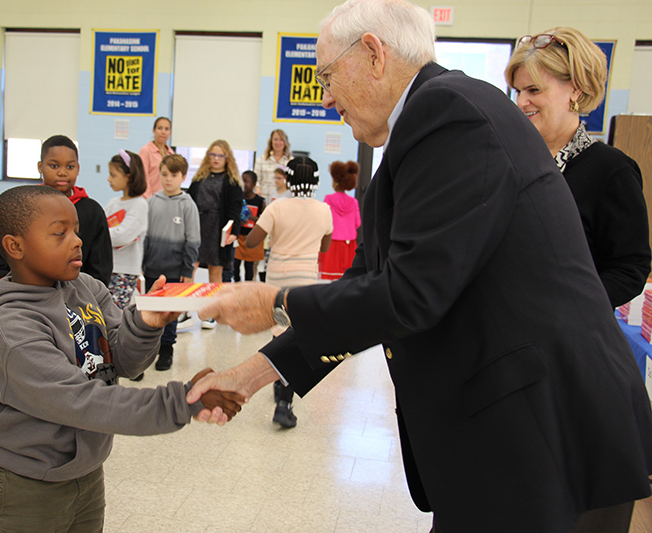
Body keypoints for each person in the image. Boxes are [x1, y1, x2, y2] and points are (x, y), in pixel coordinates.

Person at [188, 1, 652, 532]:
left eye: (327, 75)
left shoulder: (449, 114)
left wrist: (276, 301)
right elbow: (370, 283)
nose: (326, 95)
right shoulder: (422, 131)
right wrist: (247, 377)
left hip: (545, 430)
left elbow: (411, 294)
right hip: (508, 432)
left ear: (372, 54)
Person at [0, 185, 242, 532]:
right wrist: (182, 401)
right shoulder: (12, 326)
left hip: (85, 469)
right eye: (59, 233)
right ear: (15, 246)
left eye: (76, 231)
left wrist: (145, 321)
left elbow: (122, 362)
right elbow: (80, 400)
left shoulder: (86, 288)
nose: (77, 241)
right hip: (24, 481)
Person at [505, 27, 651, 308]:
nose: (521, 102)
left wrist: (570, 307)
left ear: (575, 90)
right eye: (518, 91)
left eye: (534, 90)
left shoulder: (611, 171)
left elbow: (630, 268)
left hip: (563, 336)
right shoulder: (507, 160)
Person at [245, 157, 332, 428]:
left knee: (278, 330)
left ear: (289, 180)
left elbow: (251, 242)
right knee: (295, 336)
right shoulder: (323, 210)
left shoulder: (276, 207)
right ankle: (285, 402)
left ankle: (278, 378)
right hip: (304, 279)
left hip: (277, 280)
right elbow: (325, 247)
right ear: (316, 181)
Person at [144, 153, 200, 371]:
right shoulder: (151, 202)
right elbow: (145, 236)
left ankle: (167, 348)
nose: (168, 179)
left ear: (183, 177)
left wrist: (187, 269)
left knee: (170, 312)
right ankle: (150, 348)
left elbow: (193, 240)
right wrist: (143, 263)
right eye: (164, 174)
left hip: (176, 270)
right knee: (150, 310)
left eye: (174, 175)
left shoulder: (188, 205)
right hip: (152, 268)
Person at [39, 134, 112, 286]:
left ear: (78, 169)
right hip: (32, 294)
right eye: (54, 166)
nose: (62, 172)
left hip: (79, 296)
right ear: (40, 167)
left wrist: (90, 296)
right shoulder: (28, 207)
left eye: (70, 167)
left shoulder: (92, 211)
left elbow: (101, 266)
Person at [187, 140, 244, 328]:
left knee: (215, 270)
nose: (216, 159)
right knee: (189, 268)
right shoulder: (198, 178)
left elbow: (235, 209)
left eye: (220, 155)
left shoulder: (233, 182)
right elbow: (189, 202)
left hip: (218, 227)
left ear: (227, 158)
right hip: (197, 225)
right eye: (213, 154)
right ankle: (184, 311)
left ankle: (210, 312)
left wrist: (234, 232)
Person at [104, 150, 148, 311]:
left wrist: (100, 235)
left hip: (125, 272)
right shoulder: (112, 203)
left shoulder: (139, 205)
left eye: (113, 175)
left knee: (116, 315)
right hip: (106, 268)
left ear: (128, 176)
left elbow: (122, 235)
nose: (109, 179)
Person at [318, 160, 361, 280]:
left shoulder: (329, 199)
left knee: (329, 277)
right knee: (346, 276)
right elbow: (357, 223)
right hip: (349, 244)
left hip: (331, 242)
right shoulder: (353, 202)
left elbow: (323, 219)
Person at [233, 170, 266, 282]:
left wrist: (252, 218)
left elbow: (265, 221)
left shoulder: (260, 201)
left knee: (249, 267)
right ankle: (236, 285)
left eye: (246, 181)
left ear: (254, 184)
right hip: (238, 238)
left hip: (251, 239)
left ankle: (247, 288)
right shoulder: (237, 198)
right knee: (235, 266)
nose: (244, 184)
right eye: (242, 181)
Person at [254, 129, 293, 204]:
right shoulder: (261, 159)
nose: (278, 142)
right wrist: (257, 188)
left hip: (283, 201)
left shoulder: (290, 161)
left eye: (281, 140)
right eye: (275, 139)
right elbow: (256, 179)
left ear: (285, 142)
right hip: (265, 200)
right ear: (271, 142)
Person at [139, 117, 174, 199]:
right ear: (153, 130)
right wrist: (150, 200)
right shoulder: (145, 151)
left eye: (167, 129)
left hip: (167, 199)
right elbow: (143, 179)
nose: (163, 132)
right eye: (160, 128)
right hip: (150, 199)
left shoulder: (171, 153)